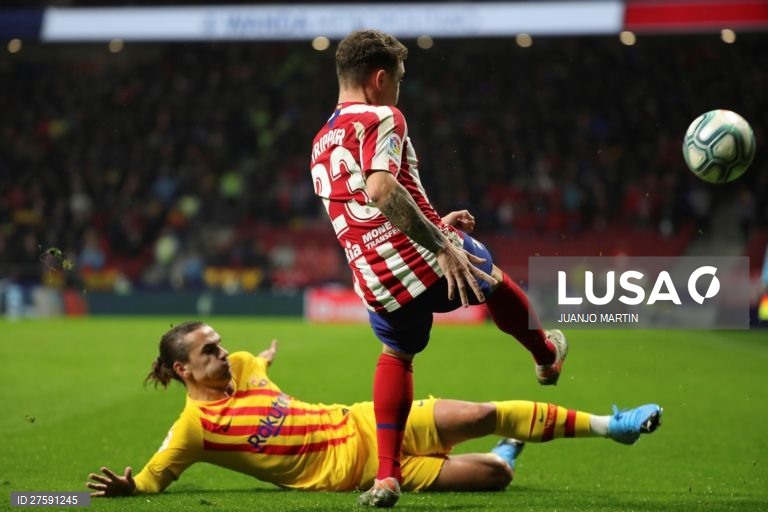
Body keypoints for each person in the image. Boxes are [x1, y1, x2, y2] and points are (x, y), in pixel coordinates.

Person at [309, 29, 568, 506]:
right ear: (380, 78)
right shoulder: (383, 115)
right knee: (486, 272)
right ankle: (546, 355)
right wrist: (440, 244)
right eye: (400, 79)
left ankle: (387, 476)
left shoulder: (321, 141)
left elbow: (365, 210)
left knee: (397, 356)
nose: (400, 89)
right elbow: (383, 190)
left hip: (375, 280)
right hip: (423, 260)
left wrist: (433, 221)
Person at [86, 322, 661, 500]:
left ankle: (615, 426)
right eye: (208, 351)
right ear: (184, 371)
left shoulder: (242, 364)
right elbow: (154, 478)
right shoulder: (193, 430)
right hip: (362, 473)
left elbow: (254, 365)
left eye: (220, 343)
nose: (223, 354)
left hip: (369, 420)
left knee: (484, 410)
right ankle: (511, 448)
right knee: (497, 475)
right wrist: (128, 489)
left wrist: (258, 357)